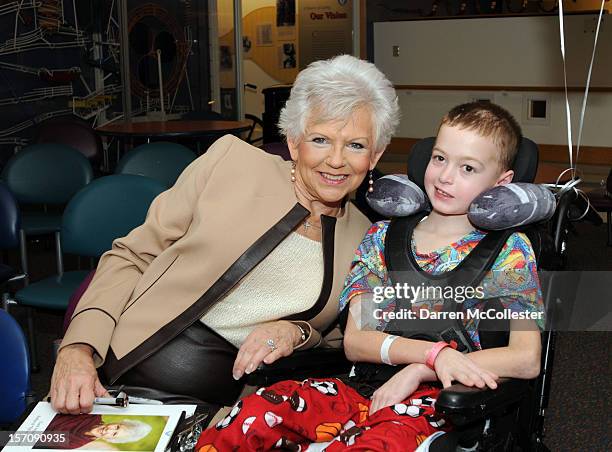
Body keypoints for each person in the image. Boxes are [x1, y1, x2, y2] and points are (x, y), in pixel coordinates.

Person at [50, 54, 400, 413]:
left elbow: (352, 341)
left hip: (236, 414)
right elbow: (132, 255)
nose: (336, 160)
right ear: (294, 142)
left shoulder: (371, 240)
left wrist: (295, 333)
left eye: (356, 145)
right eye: (321, 139)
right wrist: (78, 349)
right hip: (124, 377)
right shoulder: (230, 164)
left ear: (374, 155)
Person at [194, 102, 545, 451]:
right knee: (258, 413)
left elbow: (525, 359)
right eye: (440, 158)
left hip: (446, 405)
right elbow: (357, 341)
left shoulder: (509, 250)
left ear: (502, 182)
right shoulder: (382, 237)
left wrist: (423, 370)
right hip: (363, 389)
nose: (445, 176)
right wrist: (433, 355)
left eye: (468, 167)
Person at [35, 415, 151, 449]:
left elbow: (25, 438)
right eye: (117, 426)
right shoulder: (93, 414)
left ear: (110, 439)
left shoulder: (75, 443)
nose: (109, 429)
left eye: (114, 433)